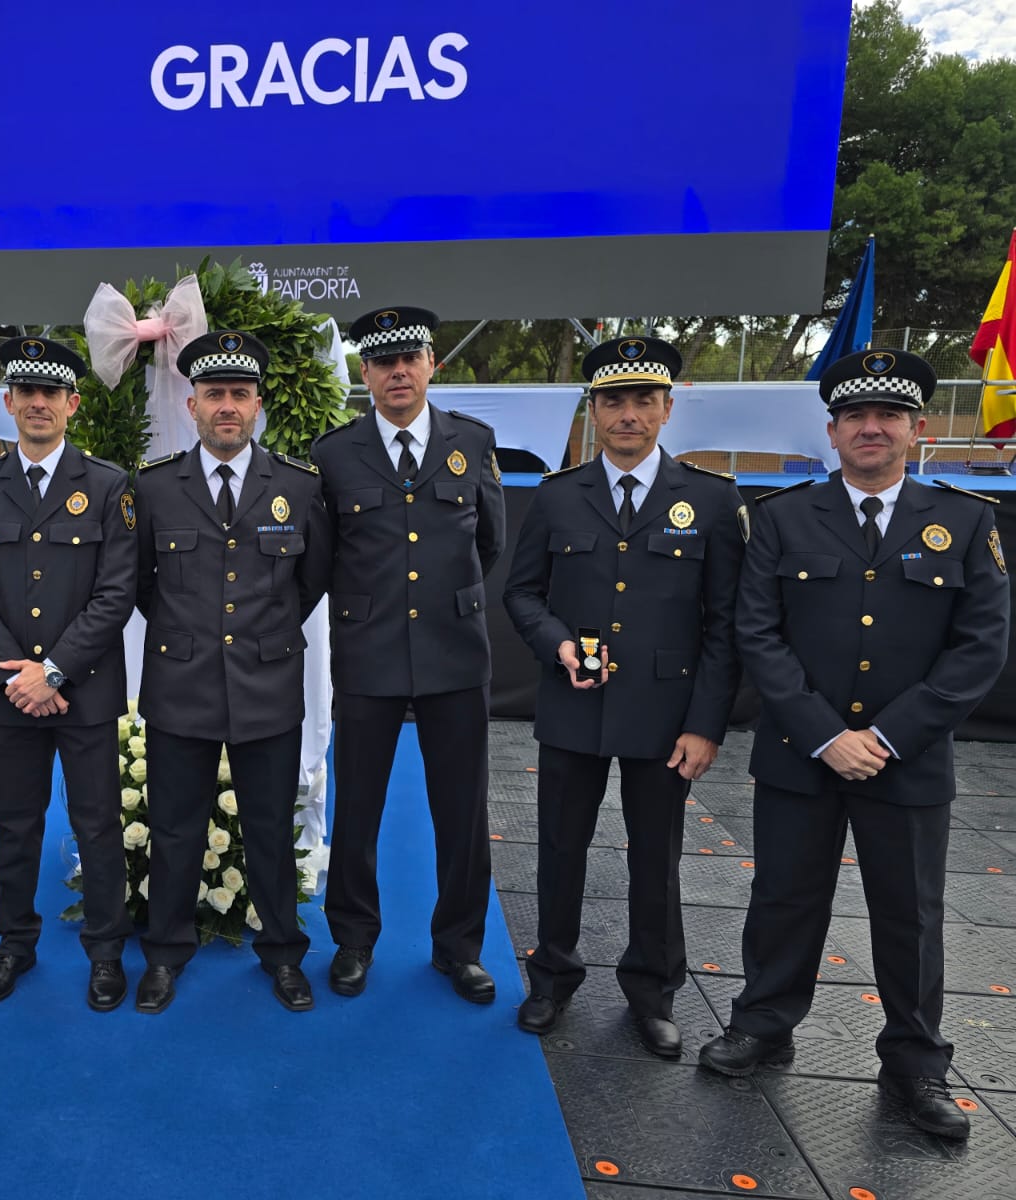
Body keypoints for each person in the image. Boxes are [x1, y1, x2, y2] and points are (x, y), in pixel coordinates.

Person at [698, 349, 1010, 1140]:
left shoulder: (966, 520)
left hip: (908, 760)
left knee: (911, 915)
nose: (872, 428)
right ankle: (763, 1024)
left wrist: (888, 736)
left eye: (889, 416)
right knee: (783, 898)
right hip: (801, 753)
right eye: (855, 417)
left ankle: (915, 1062)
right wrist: (827, 734)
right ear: (832, 432)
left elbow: (980, 647)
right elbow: (757, 633)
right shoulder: (780, 517)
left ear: (917, 429)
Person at [502, 336, 745, 1057]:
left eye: (644, 400)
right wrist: (557, 644)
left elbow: (726, 625)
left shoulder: (711, 499)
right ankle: (552, 977)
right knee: (559, 849)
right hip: (572, 704)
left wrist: (706, 725)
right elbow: (522, 593)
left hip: (665, 715)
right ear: (593, 411)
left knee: (656, 859)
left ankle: (652, 992)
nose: (628, 414)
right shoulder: (557, 494)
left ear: (668, 409)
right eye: (614, 401)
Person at [133, 330, 331, 1014]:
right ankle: (166, 955)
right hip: (180, 685)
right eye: (214, 393)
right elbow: (142, 583)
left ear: (258, 406)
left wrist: (259, 636)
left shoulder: (299, 487)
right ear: (191, 405)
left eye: (239, 394)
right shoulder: (155, 487)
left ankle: (283, 953)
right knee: (174, 829)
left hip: (266, 684)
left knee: (271, 828)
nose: (227, 406)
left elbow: (311, 580)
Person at [312, 305, 506, 1003]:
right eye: (384, 362)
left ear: (431, 365)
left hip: (454, 653)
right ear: (364, 373)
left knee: (462, 811)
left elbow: (488, 542)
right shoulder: (334, 453)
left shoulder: (472, 441)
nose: (398, 372)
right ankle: (353, 940)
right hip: (369, 654)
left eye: (410, 358)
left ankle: (459, 948)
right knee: (357, 807)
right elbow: (325, 557)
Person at [0, 335, 135, 1010]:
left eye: (50, 392)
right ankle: (14, 942)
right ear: (8, 402)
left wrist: (52, 671)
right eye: (26, 391)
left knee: (97, 824)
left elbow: (116, 593)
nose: (37, 403)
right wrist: (17, 678)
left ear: (72, 404)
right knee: (14, 823)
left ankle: (105, 948)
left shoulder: (109, 485)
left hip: (83, 690)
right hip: (9, 696)